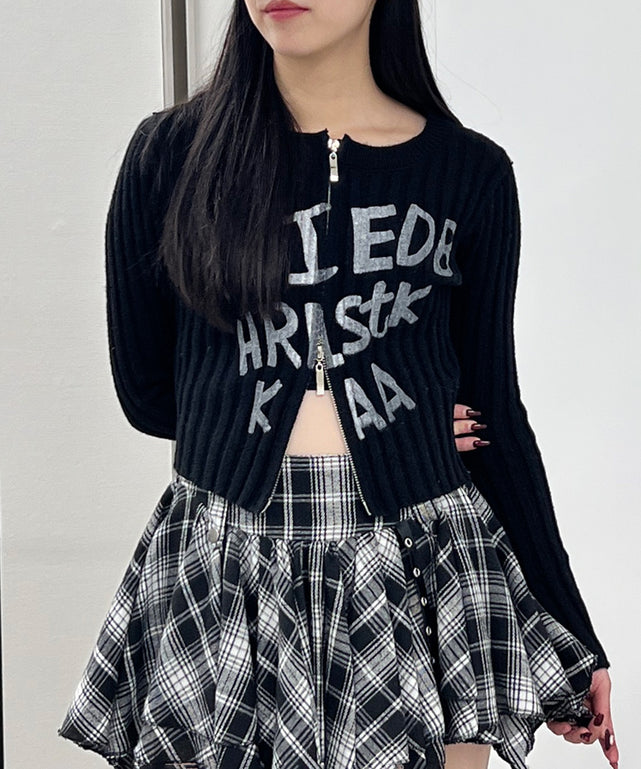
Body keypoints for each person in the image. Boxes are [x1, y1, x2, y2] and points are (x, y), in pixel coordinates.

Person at [58, 1, 618, 768]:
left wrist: (571, 630)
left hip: (423, 568)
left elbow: (496, 420)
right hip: (228, 566)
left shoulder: (467, 173)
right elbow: (148, 392)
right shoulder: (171, 155)